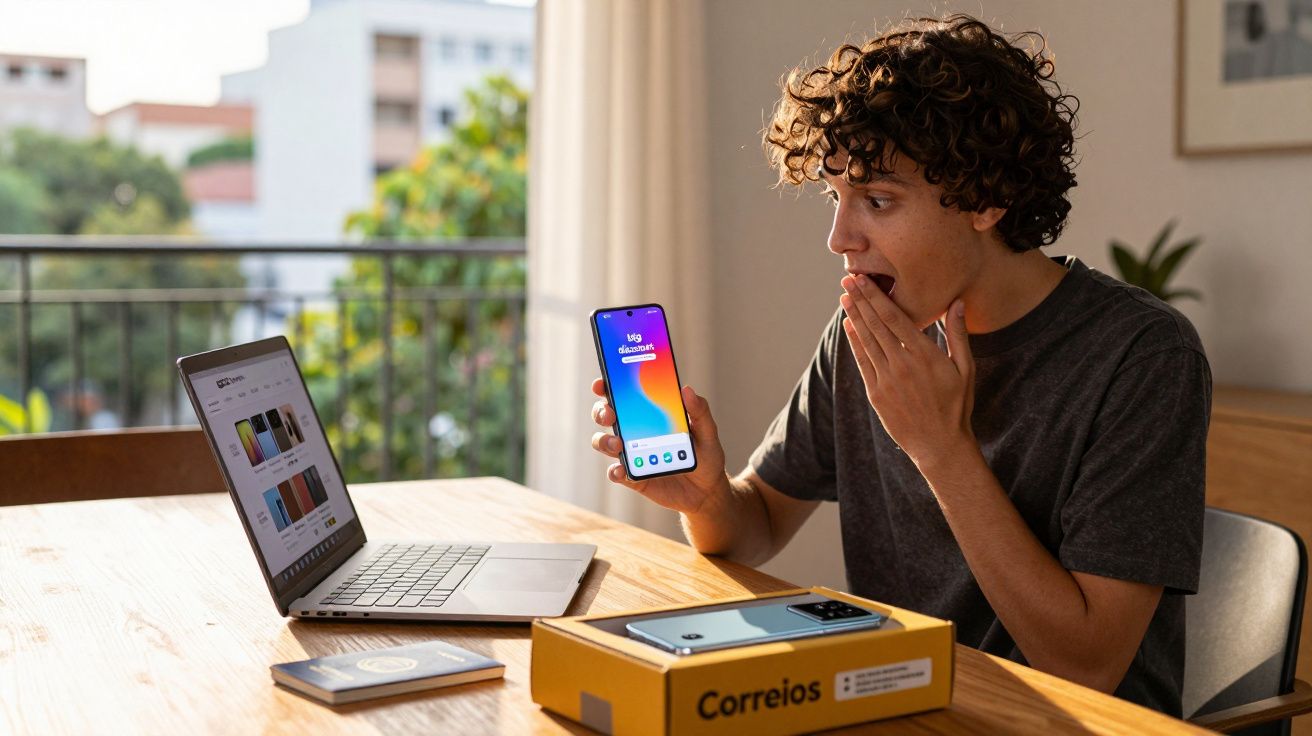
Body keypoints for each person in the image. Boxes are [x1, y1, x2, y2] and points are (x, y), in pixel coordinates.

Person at [588, 13, 1209, 716]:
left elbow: (1087, 664)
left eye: (877, 201)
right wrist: (705, 499)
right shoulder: (865, 336)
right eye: (836, 198)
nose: (838, 238)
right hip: (902, 707)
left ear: (986, 198)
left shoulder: (1141, 356)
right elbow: (756, 522)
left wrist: (941, 450)